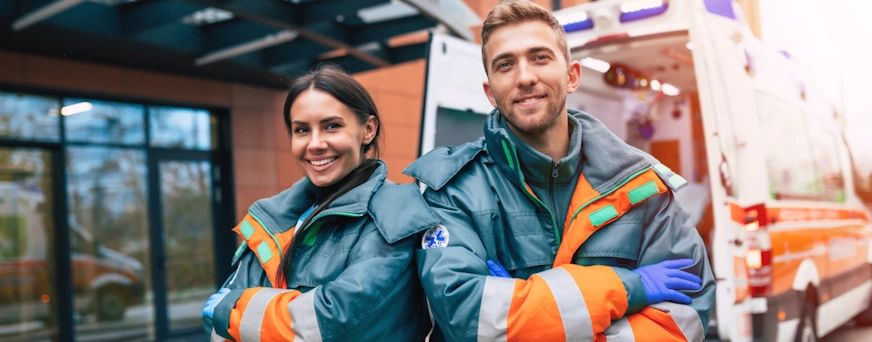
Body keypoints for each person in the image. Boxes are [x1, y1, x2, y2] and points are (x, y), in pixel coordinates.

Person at [404, 1, 716, 341]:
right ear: (490, 93)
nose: (525, 77)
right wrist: (626, 287)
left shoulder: (642, 185)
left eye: (540, 57)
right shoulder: (452, 190)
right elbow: (467, 318)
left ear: (571, 76)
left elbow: (683, 317)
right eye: (505, 64)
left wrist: (524, 310)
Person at [201, 64, 439, 342]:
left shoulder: (395, 213)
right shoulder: (271, 218)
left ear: (368, 130)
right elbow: (218, 336)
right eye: (302, 130)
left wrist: (232, 311)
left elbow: (338, 322)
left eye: (331, 126)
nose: (315, 144)